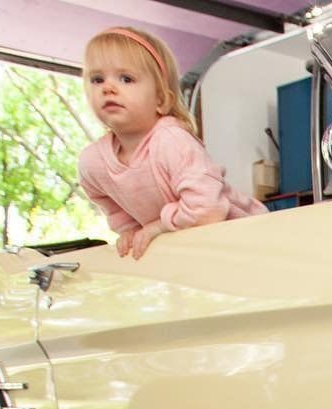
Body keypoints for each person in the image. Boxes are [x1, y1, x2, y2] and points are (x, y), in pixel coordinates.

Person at [78, 26, 265, 259]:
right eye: (97, 79)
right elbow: (107, 202)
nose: (108, 88)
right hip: (193, 249)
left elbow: (208, 209)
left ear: (160, 99)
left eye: (126, 79)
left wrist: (158, 226)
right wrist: (130, 228)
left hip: (248, 238)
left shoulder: (171, 141)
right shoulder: (93, 163)